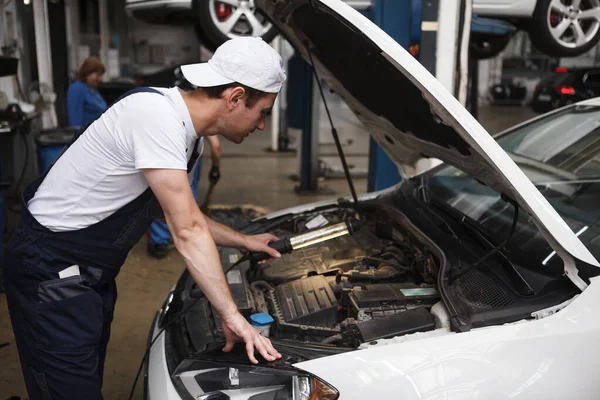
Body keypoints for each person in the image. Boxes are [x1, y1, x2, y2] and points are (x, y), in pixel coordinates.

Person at [3, 37, 286, 399]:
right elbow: (186, 230)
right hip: (49, 266)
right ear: (234, 97)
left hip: (88, 273)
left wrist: (245, 240)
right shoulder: (155, 117)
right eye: (262, 111)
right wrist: (231, 315)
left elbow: (184, 215)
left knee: (80, 380)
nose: (261, 125)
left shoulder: (189, 137)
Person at [147, 135, 221, 259]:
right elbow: (216, 146)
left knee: (159, 193)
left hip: (162, 150)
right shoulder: (199, 120)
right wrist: (215, 168)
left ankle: (159, 242)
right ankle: (190, 236)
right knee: (189, 191)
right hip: (189, 153)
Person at [66, 56, 108, 128]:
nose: (100, 79)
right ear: (87, 73)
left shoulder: (93, 90)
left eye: (101, 75)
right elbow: (75, 122)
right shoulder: (77, 89)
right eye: (98, 75)